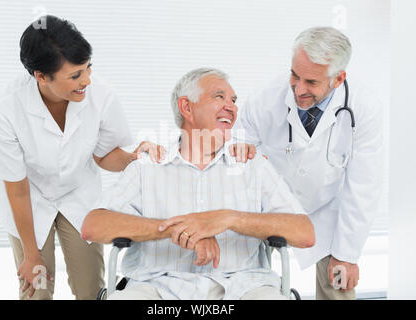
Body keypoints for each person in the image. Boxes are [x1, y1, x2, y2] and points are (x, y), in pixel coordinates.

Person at [81, 67, 315, 300]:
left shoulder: (252, 164)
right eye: (219, 96)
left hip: (244, 286)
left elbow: (304, 233)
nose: (231, 107)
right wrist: (178, 229)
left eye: (233, 100)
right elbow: (94, 226)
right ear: (187, 107)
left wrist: (227, 218)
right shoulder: (149, 165)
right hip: (158, 286)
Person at [0, 15, 165, 300]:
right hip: (29, 199)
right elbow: (17, 190)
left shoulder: (100, 94)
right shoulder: (5, 110)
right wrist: (30, 255)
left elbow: (105, 156)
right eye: (75, 75)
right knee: (36, 290)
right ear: (40, 76)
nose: (87, 81)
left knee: (91, 288)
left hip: (78, 194)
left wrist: (134, 158)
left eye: (88, 68)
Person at [234, 27, 384, 300]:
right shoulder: (265, 97)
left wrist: (347, 255)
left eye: (311, 82)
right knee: (246, 284)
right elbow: (240, 147)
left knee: (339, 282)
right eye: (294, 75)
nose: (298, 89)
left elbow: (363, 185)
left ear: (338, 78)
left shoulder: (364, 107)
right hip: (269, 206)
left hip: (326, 210)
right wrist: (241, 150)